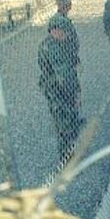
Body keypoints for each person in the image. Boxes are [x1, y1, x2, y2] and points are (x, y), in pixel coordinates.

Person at [38, 15, 83, 162]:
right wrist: (74, 94)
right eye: (63, 31)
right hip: (57, 90)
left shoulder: (58, 42)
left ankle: (71, 148)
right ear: (54, 30)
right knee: (64, 123)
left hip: (63, 87)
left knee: (70, 118)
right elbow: (64, 74)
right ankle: (66, 156)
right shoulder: (52, 47)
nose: (66, 34)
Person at [51, 0, 80, 70]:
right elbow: (60, 38)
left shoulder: (64, 19)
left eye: (69, 2)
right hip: (62, 61)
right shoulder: (57, 20)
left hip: (68, 58)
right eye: (66, 3)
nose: (69, 5)